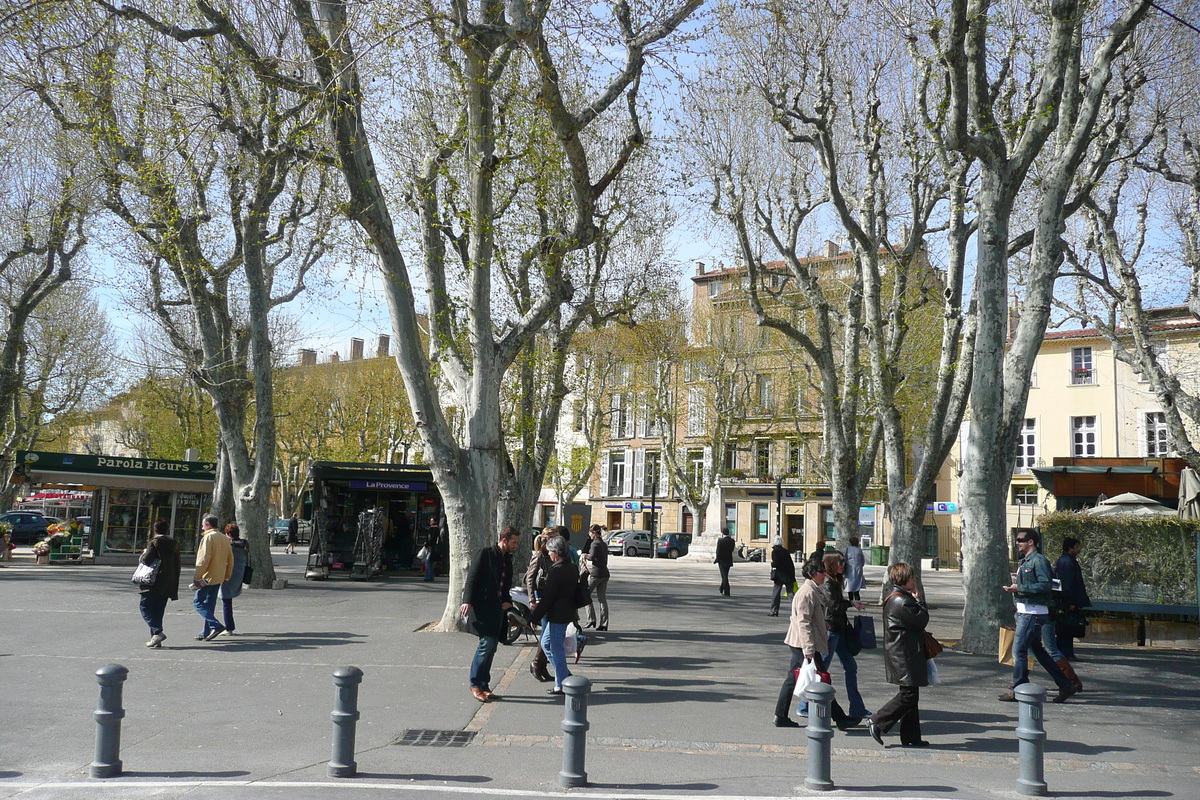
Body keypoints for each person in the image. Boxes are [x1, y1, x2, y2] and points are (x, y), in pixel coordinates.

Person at [773, 555, 857, 729]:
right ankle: (840, 718)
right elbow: (803, 622)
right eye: (821, 572)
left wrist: (822, 623)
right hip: (802, 643)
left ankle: (781, 715)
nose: (824, 574)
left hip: (802, 642)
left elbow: (810, 617)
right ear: (811, 574)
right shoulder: (807, 592)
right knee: (819, 680)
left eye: (824, 571)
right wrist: (809, 649)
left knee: (805, 679)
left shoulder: (812, 590)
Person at [1000, 529, 1076, 703]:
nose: (1017, 542)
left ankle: (1017, 687)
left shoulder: (1039, 561)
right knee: (1038, 651)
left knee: (1019, 650)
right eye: (1017, 540)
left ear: (1031, 542)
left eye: (1021, 540)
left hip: (1032, 613)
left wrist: (1020, 588)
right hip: (1027, 611)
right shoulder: (1027, 561)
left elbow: (1045, 585)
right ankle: (1066, 684)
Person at [868, 561, 931, 747]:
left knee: (911, 694)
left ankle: (911, 737)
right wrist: (920, 600)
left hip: (904, 652)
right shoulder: (903, 601)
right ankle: (877, 721)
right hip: (904, 655)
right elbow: (922, 620)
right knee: (908, 696)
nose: (915, 581)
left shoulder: (898, 597)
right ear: (904, 580)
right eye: (912, 578)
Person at [460, 525, 520, 702]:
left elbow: (505, 584)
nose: (516, 545)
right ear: (504, 540)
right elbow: (472, 576)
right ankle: (475, 684)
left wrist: (507, 601)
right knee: (486, 644)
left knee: (492, 646)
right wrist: (467, 600)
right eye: (514, 542)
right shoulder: (485, 553)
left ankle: (484, 685)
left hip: (498, 607)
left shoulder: (507, 559)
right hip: (483, 607)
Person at [819, 550, 870, 719]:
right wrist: (848, 604)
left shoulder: (834, 581)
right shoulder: (828, 582)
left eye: (844, 562)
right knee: (821, 669)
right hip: (832, 630)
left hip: (838, 630)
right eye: (840, 562)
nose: (843, 565)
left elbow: (836, 603)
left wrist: (851, 602)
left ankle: (857, 707)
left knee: (850, 667)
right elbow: (833, 608)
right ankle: (806, 704)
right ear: (831, 563)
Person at [529, 535, 579, 696]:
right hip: (565, 612)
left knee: (555, 648)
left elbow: (548, 598)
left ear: (556, 552)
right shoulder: (571, 567)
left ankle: (561, 684)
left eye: (550, 551)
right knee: (546, 643)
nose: (549, 554)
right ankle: (563, 674)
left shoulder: (556, 570)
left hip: (558, 614)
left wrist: (535, 617)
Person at [139, 519, 182, 647]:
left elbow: (146, 561)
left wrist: (143, 554)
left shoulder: (154, 542)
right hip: (168, 581)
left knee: (145, 606)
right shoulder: (173, 543)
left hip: (154, 581)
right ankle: (155, 639)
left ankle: (157, 632)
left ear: (155, 530)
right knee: (158, 610)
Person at [192, 514, 233, 641]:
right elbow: (230, 559)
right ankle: (205, 631)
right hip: (219, 575)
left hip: (207, 576)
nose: (202, 528)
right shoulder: (224, 538)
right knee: (209, 604)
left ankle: (215, 625)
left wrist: (197, 576)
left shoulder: (208, 537)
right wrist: (227, 575)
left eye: (203, 525)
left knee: (198, 602)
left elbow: (204, 559)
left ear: (208, 525)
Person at [1054, 536, 1091, 661]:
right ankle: (1066, 652)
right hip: (1068, 600)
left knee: (1065, 628)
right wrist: (1069, 601)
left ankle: (1062, 652)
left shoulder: (1066, 561)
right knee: (1067, 628)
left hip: (1066, 599)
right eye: (1076, 547)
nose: (1078, 549)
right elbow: (1067, 583)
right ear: (1070, 548)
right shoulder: (1068, 562)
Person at [525, 533, 553, 682]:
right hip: (540, 596)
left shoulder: (551, 556)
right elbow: (530, 578)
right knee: (545, 634)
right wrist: (531, 599)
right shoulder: (539, 556)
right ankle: (537, 664)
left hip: (550, 596)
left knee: (547, 634)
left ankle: (541, 665)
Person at [218, 523, 248, 636]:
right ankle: (229, 626)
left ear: (227, 534)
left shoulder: (228, 544)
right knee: (227, 599)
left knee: (226, 600)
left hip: (228, 573)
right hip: (240, 572)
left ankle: (229, 627)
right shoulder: (244, 543)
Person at [581, 524, 610, 630]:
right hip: (605, 573)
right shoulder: (603, 543)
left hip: (596, 574)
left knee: (585, 595)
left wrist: (584, 555)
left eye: (590, 533)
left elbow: (591, 557)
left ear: (593, 533)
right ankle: (604, 623)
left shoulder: (594, 544)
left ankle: (591, 619)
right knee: (602, 599)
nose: (589, 535)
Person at [769, 536, 795, 616]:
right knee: (791, 593)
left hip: (779, 575)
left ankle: (774, 610)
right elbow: (790, 563)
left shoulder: (775, 552)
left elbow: (776, 563)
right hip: (788, 574)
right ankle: (796, 610)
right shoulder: (786, 551)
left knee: (776, 593)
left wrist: (772, 564)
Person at [844, 535, 866, 602]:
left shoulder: (847, 549)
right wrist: (860, 566)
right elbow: (862, 560)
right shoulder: (859, 550)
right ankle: (857, 597)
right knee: (857, 583)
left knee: (849, 583)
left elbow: (844, 559)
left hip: (849, 568)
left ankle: (851, 598)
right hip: (858, 568)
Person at [715, 527, 735, 596]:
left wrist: (717, 559)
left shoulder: (720, 541)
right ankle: (721, 588)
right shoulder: (732, 541)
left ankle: (727, 591)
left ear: (723, 533)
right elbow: (732, 550)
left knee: (724, 576)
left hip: (722, 560)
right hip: (728, 559)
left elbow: (718, 551)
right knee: (725, 574)